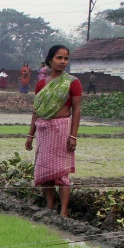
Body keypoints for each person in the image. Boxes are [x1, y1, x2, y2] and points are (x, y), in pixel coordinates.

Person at [25, 44, 82, 217]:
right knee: (45, 172)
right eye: (59, 58)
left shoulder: (72, 83)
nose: (63, 61)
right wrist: (30, 135)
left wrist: (73, 136)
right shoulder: (41, 84)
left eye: (66, 58)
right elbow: (37, 111)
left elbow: (76, 110)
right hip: (44, 130)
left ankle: (63, 213)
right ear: (50, 60)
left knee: (61, 174)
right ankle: (50, 207)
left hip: (61, 130)